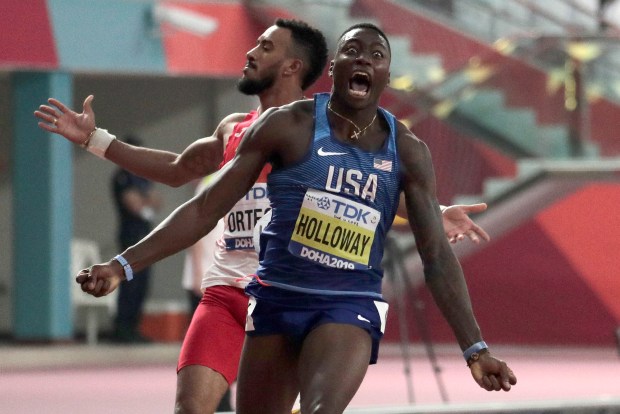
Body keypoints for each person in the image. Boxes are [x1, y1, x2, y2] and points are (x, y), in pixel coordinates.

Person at [35, 19, 491, 413]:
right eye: (255, 45)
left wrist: (433, 212)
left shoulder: (331, 132)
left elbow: (368, 194)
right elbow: (182, 175)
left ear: (294, 66)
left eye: (265, 47)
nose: (251, 53)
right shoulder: (240, 131)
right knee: (192, 407)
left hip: (319, 296)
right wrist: (96, 141)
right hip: (235, 296)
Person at [110, 134, 162, 343]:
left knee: (142, 283)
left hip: (145, 233)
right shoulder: (121, 177)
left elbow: (157, 201)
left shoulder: (142, 177)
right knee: (129, 282)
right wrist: (144, 200)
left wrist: (145, 200)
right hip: (130, 234)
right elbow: (134, 205)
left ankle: (134, 326)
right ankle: (122, 328)